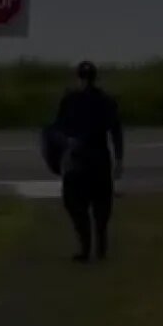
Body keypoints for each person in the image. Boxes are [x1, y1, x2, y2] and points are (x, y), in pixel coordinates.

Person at [52, 60, 124, 263]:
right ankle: (101, 246)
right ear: (95, 77)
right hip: (100, 158)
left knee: (75, 203)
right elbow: (116, 132)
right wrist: (119, 159)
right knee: (102, 205)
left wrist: (62, 152)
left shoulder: (69, 100)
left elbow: (58, 129)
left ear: (78, 77)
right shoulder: (107, 100)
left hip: (77, 159)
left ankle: (85, 247)